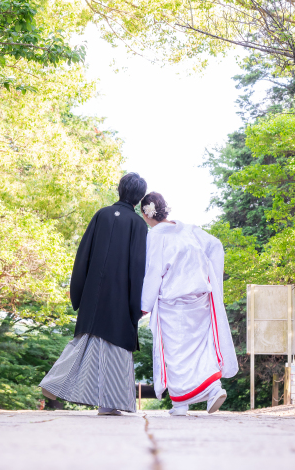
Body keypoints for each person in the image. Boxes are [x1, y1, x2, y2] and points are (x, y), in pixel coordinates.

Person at [40, 172, 149, 415]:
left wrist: (79, 291)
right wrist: (136, 304)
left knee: (87, 340)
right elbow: (138, 266)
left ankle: (53, 382)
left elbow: (83, 255)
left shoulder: (101, 214)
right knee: (116, 348)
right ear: (139, 197)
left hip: (93, 291)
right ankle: (110, 404)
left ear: (120, 189)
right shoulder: (138, 224)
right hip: (120, 295)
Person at [140, 192, 238, 416]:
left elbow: (154, 271)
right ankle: (201, 394)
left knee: (175, 354)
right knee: (201, 349)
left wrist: (144, 305)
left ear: (146, 214)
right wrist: (211, 273)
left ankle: (188, 401)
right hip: (199, 299)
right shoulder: (190, 229)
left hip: (173, 303)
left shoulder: (155, 236)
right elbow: (215, 246)